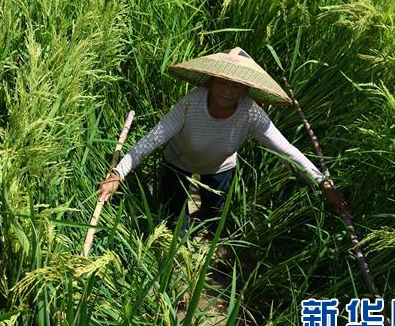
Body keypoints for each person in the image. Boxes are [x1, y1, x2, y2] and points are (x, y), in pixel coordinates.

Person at [99, 47, 346, 232]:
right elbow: (151, 140)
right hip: (178, 163)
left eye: (237, 86)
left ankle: (207, 245)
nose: (228, 91)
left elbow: (286, 149)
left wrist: (322, 182)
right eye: (223, 83)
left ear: (246, 90)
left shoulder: (251, 113)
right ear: (211, 81)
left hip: (220, 169)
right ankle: (178, 255)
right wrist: (118, 174)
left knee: (213, 215)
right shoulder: (190, 105)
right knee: (175, 217)